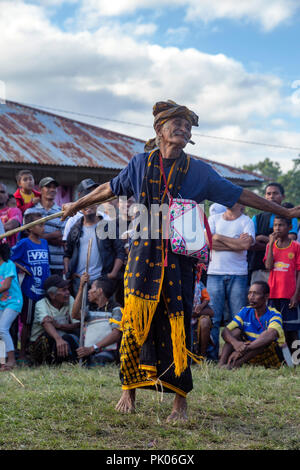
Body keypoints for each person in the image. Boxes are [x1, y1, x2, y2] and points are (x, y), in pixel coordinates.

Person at [61, 99, 300, 422]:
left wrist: (283, 212)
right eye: (177, 124)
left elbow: (238, 194)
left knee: (177, 327)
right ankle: (128, 390)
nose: (184, 129)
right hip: (141, 260)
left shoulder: (198, 171)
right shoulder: (139, 164)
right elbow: (109, 188)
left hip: (179, 264)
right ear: (160, 130)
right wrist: (78, 204)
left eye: (188, 126)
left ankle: (179, 401)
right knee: (134, 323)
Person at [206, 202, 255, 361]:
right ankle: (211, 357)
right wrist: (236, 243)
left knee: (237, 318)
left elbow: (246, 244)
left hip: (238, 274)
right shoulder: (213, 218)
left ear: (241, 203)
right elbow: (208, 242)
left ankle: (236, 356)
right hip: (214, 273)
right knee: (213, 318)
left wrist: (219, 237)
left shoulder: (246, 221)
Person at [10, 212, 50, 362]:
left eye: (44, 224)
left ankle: (34, 352)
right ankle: (21, 354)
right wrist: (22, 267)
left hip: (44, 288)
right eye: (40, 224)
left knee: (39, 321)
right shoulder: (24, 243)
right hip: (29, 288)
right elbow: (9, 257)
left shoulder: (44, 243)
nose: (43, 227)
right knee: (27, 322)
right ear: (30, 228)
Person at [219, 281, 285, 369]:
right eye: (249, 293)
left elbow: (271, 336)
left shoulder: (274, 314)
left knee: (263, 338)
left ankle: (235, 365)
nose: (251, 297)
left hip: (270, 354)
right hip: (250, 354)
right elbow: (225, 331)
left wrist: (243, 349)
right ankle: (221, 364)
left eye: (256, 294)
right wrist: (236, 343)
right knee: (235, 332)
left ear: (266, 297)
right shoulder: (245, 311)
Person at [64, 204, 125, 297]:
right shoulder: (75, 228)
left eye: (92, 203)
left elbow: (120, 251)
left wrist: (113, 273)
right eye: (86, 203)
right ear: (80, 208)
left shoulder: (108, 227)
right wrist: (70, 273)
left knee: (103, 310)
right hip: (80, 280)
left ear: (97, 205)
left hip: (102, 280)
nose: (88, 206)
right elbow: (67, 254)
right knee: (80, 310)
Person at [264, 215, 300, 354]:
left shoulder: (296, 247)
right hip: (273, 294)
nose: (277, 228)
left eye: (281, 225)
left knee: (292, 330)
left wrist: (296, 295)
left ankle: (296, 359)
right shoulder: (270, 246)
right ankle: (281, 360)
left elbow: (299, 272)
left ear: (290, 227)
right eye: (275, 225)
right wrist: (272, 244)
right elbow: (268, 266)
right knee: (276, 329)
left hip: (289, 295)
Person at [248, 182, 298, 284]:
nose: (271, 196)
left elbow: (290, 240)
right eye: (268, 194)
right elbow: (251, 243)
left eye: (275, 193)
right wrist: (275, 242)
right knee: (257, 297)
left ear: (283, 196)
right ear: (264, 196)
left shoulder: (291, 216)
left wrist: (262, 238)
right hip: (259, 268)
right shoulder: (257, 218)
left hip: (283, 269)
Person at [72, 273, 122, 366]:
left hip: (106, 351)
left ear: (99, 291)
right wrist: (81, 287)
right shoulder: (90, 308)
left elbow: (116, 334)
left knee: (99, 361)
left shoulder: (116, 309)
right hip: (88, 351)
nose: (89, 291)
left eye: (91, 288)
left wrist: (92, 349)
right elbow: (75, 315)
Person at [29, 275, 80, 365]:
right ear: (52, 295)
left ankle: (69, 362)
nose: (68, 292)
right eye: (64, 290)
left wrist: (59, 326)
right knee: (48, 338)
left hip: (62, 340)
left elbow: (77, 324)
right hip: (41, 345)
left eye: (68, 289)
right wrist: (58, 339)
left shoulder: (70, 299)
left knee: (70, 337)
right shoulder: (41, 304)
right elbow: (46, 323)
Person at [25, 177, 65, 275]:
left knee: (57, 290)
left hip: (57, 264)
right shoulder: (30, 211)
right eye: (48, 187)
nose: (52, 190)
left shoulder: (62, 212)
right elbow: (27, 237)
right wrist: (54, 235)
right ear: (40, 189)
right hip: (35, 262)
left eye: (54, 187)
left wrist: (40, 237)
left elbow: (62, 239)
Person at [0, 241, 23, 370]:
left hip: (13, 301)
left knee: (2, 328)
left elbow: (6, 285)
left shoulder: (8, 265)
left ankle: (12, 360)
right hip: (1, 303)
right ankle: (2, 362)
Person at [191, 264, 214, 359]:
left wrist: (201, 306)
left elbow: (206, 298)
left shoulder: (199, 284)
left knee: (205, 321)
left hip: (196, 314)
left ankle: (202, 355)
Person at [0, 183, 23, 248]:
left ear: (7, 195)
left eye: (2, 192)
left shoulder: (14, 210)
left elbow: (10, 226)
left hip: (8, 253)